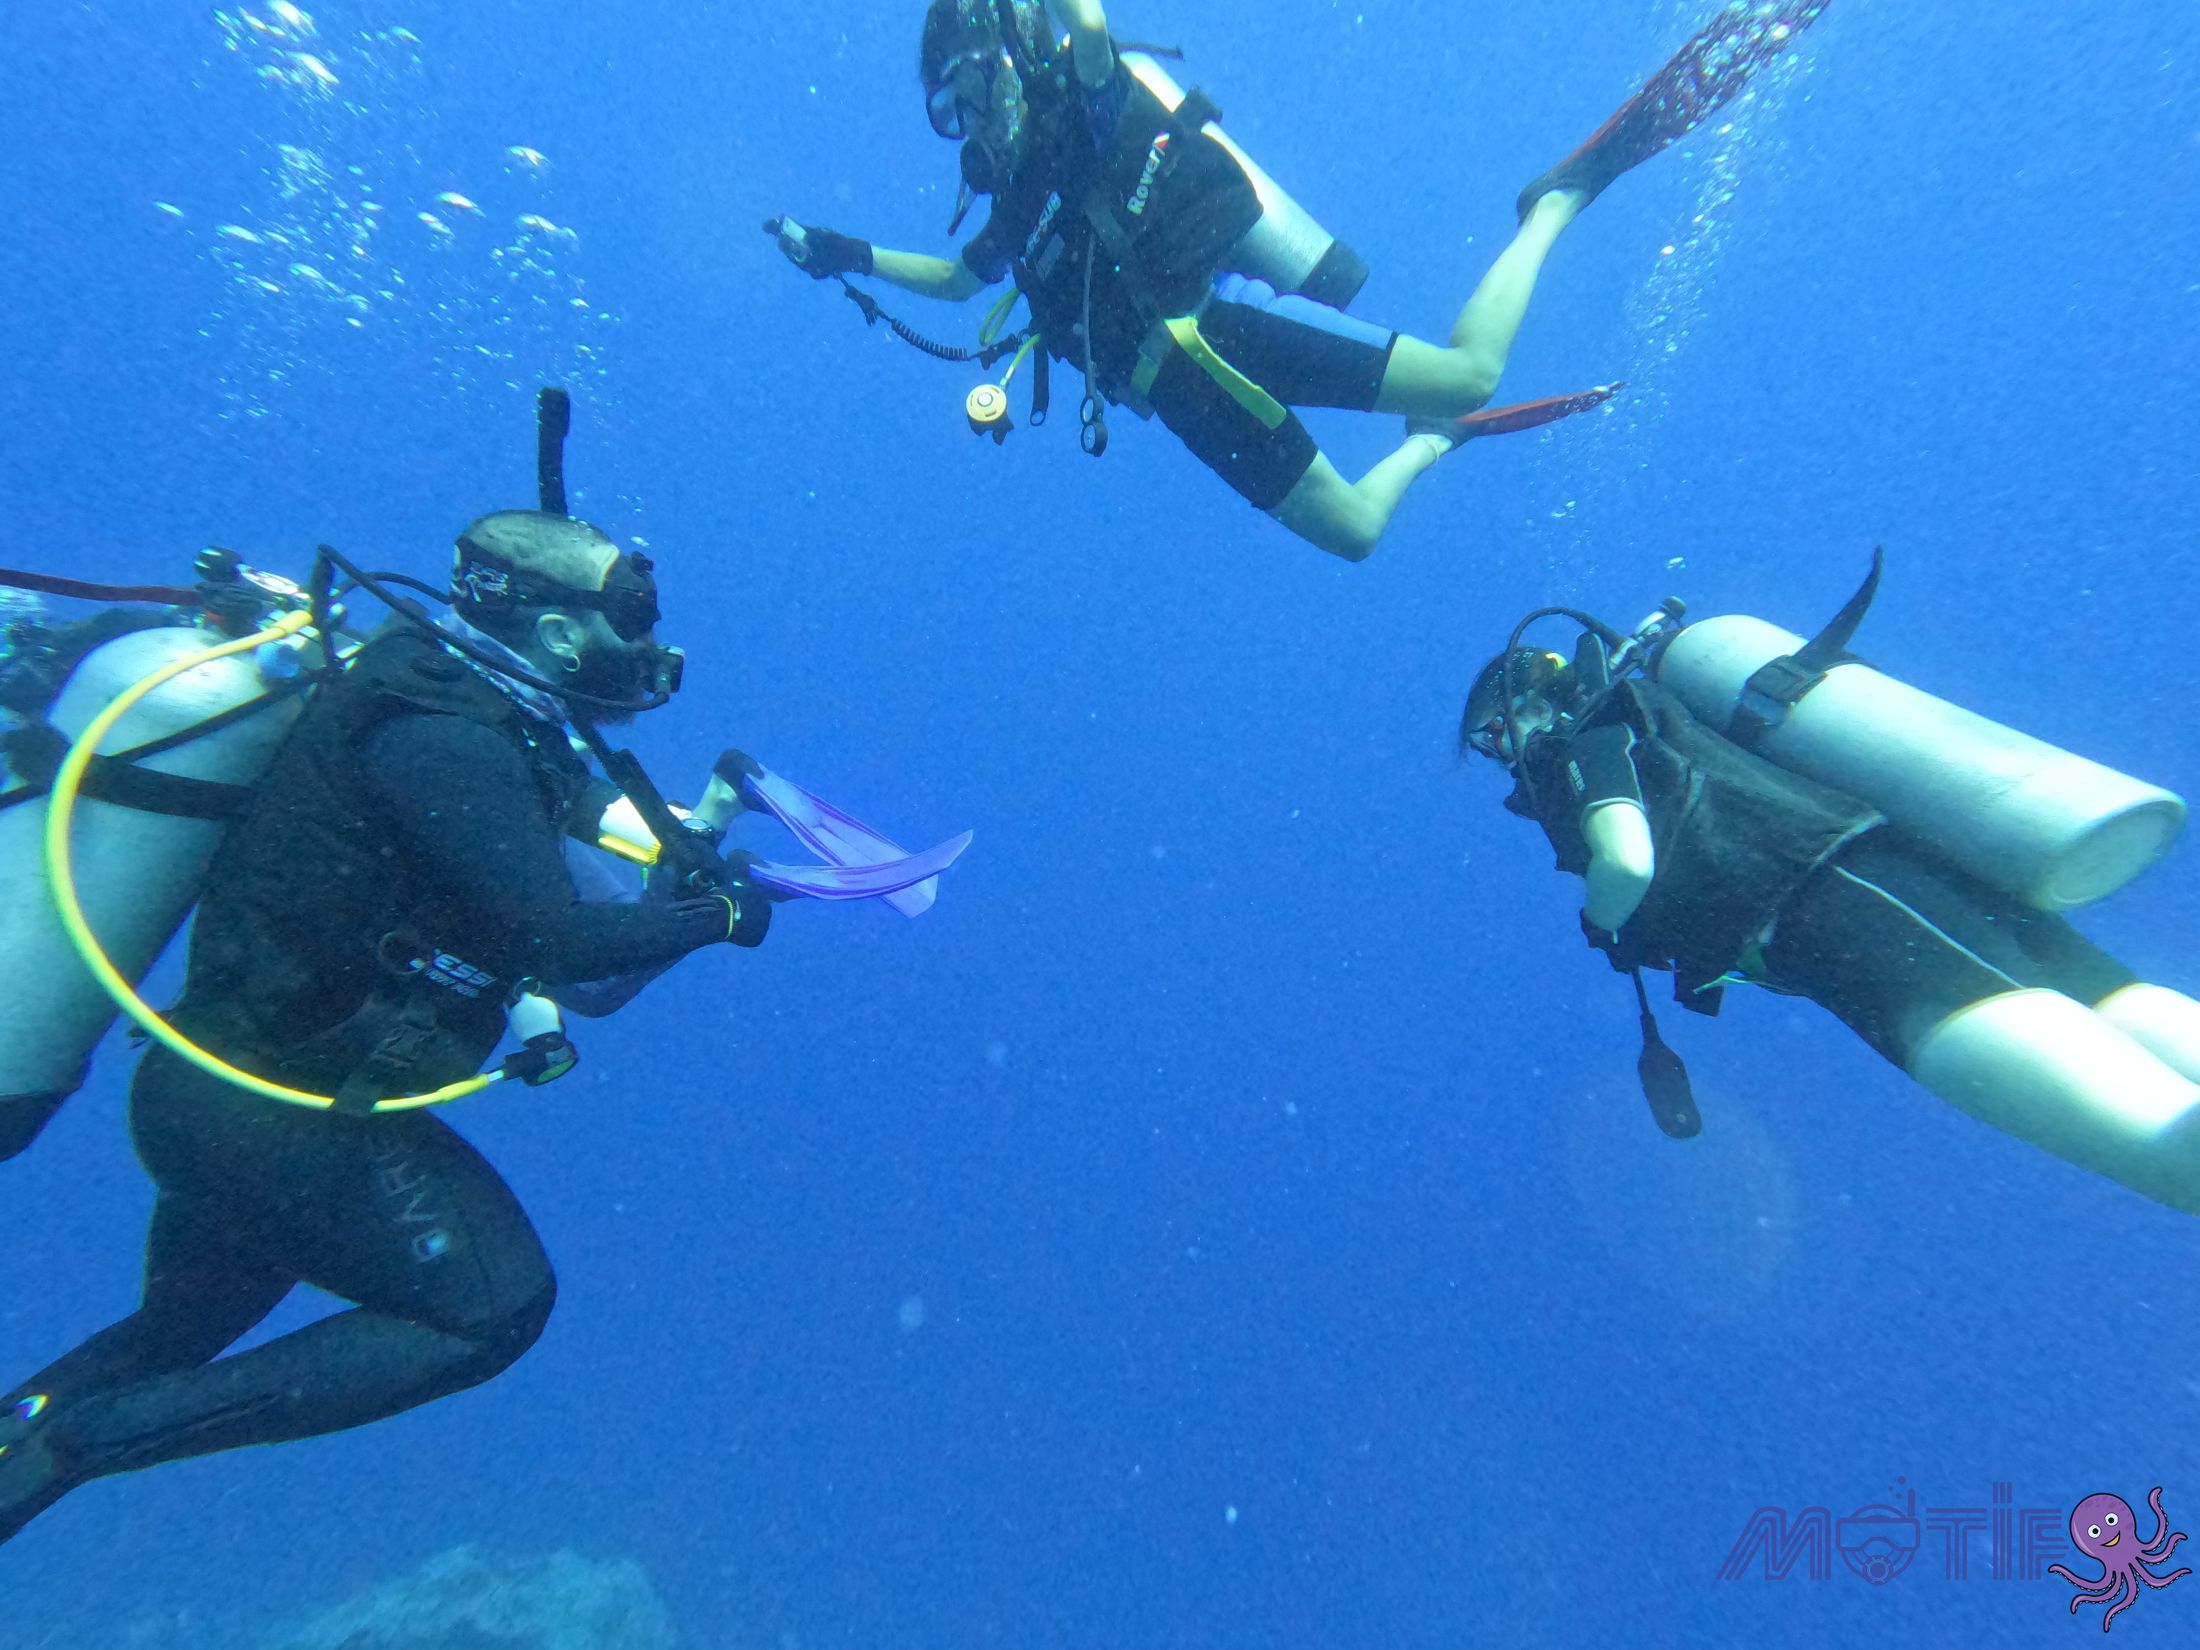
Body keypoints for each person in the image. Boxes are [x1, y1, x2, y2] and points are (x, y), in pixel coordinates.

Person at [0, 512, 779, 1542]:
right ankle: (71, 1448)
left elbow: (582, 942)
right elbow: (558, 942)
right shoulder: (445, 737)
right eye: (632, 623)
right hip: (270, 1113)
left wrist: (700, 852)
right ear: (555, 636)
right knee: (492, 1308)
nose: (650, 649)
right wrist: (714, 917)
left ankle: (27, 1439)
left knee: (175, 1333)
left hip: (232, 1096)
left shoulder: (462, 704)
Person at [768, 0, 1829, 560]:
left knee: (1469, 370)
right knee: (1356, 533)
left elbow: (1086, 28)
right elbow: (955, 283)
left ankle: (1553, 202)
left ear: (1008, 50)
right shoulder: (1013, 199)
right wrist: (842, 254)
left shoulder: (1077, 109)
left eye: (970, 85)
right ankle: (1436, 445)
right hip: (1182, 402)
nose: (968, 117)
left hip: (1221, 328)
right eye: (948, 109)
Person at [1458, 568, 2200, 1215]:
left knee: (2158, 1145)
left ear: (1530, 707)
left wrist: (1603, 920)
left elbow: (1625, 863)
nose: (1503, 760)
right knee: (2117, 1002)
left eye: (1493, 737)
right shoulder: (1665, 722)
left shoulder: (1587, 741)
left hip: (1831, 914)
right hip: (1913, 866)